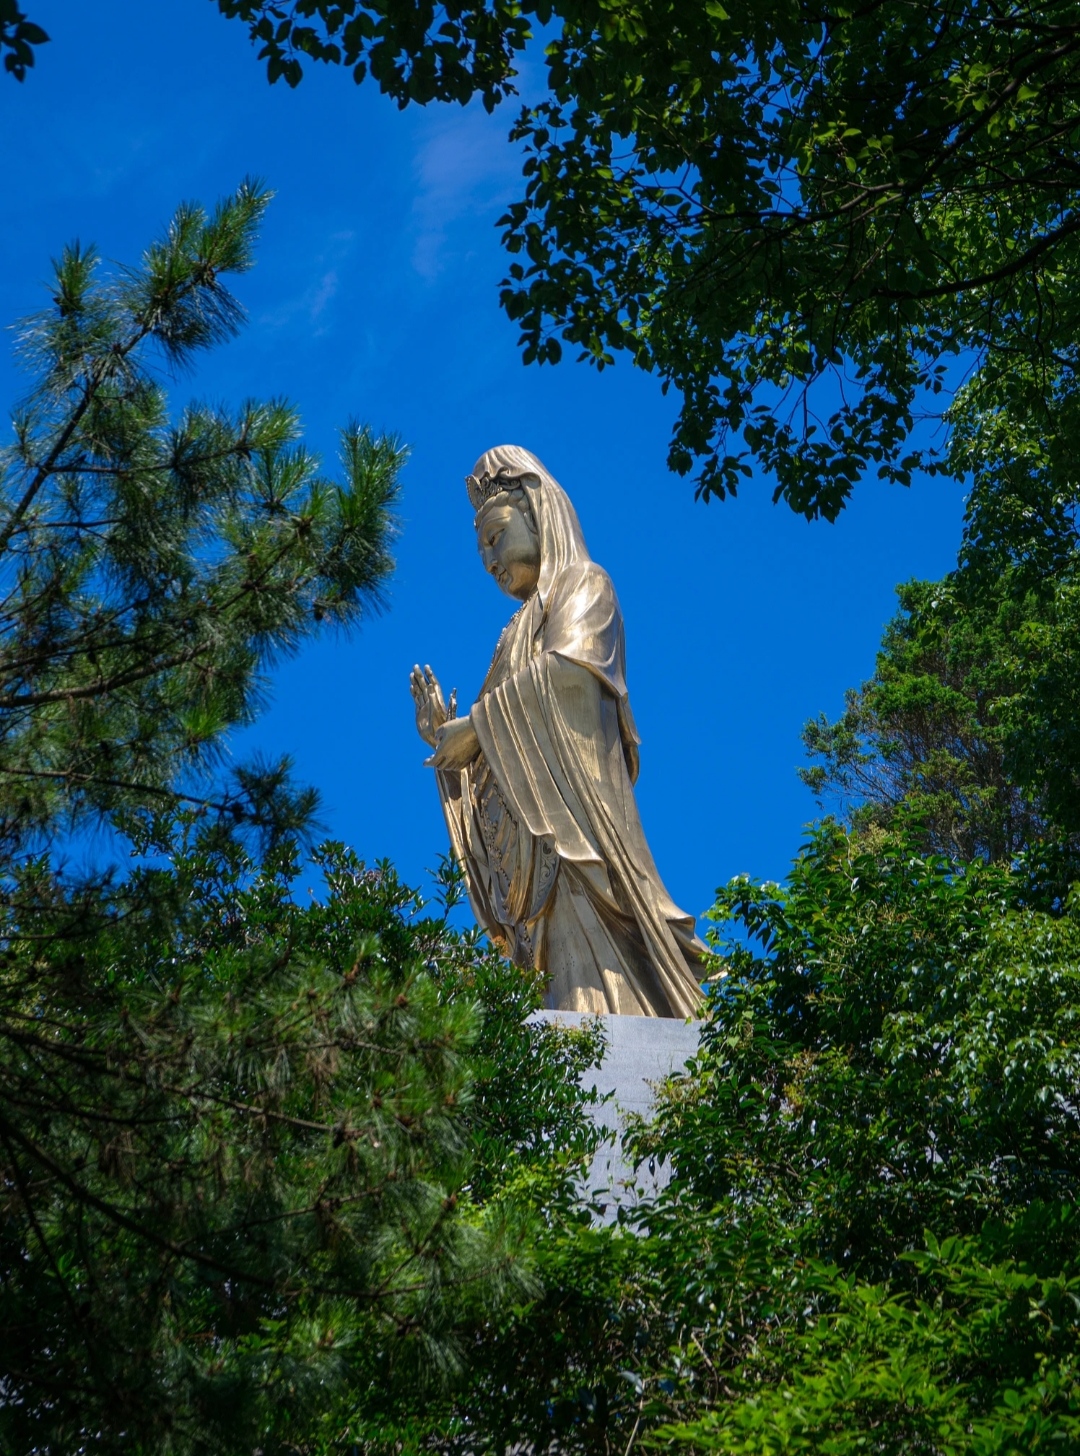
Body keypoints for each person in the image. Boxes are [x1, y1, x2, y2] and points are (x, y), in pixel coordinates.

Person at [411, 445, 704, 1017]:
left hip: (573, 833)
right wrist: (451, 745)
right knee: (550, 992)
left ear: (536, 510)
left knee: (591, 998)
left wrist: (477, 725)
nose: (490, 561)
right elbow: (499, 736)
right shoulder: (511, 636)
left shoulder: (585, 586)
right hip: (529, 859)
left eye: (495, 536)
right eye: (480, 553)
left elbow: (569, 675)